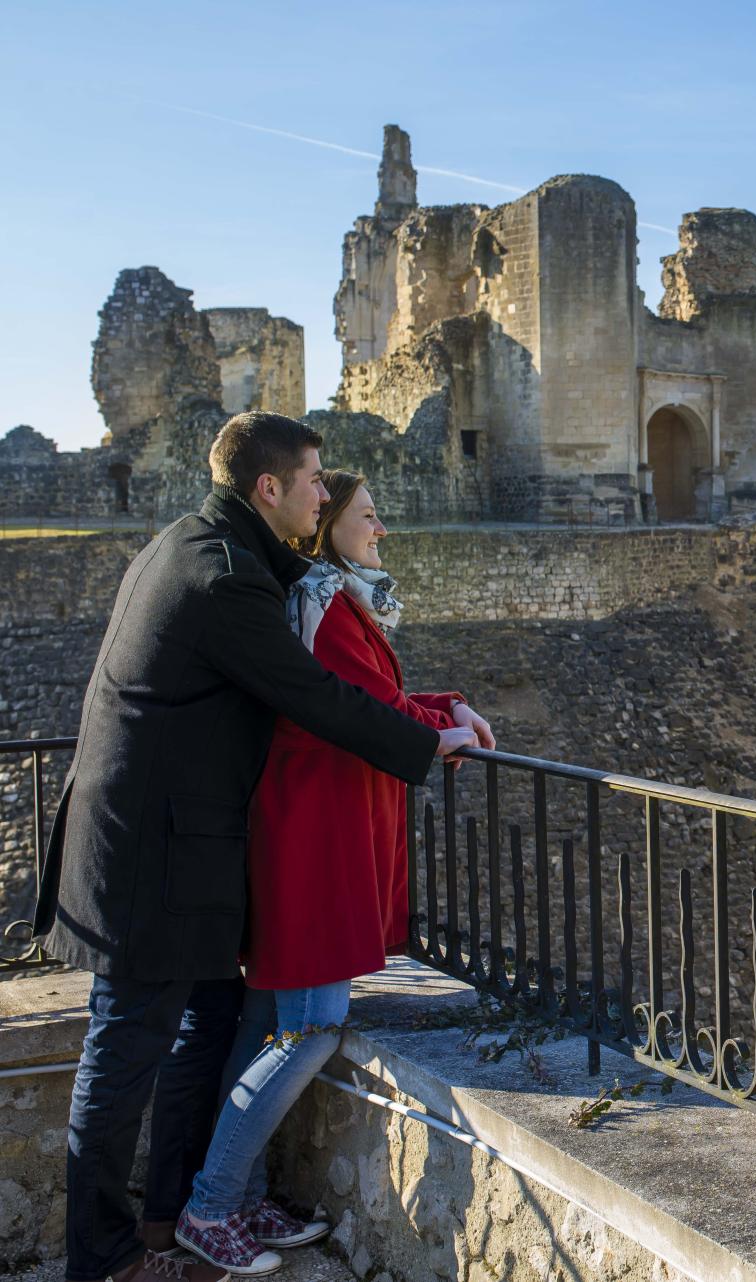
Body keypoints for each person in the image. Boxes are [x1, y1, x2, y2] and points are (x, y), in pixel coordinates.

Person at [34, 413, 481, 1282]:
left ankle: (176, 1216)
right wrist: (428, 746)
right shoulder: (221, 572)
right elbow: (311, 693)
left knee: (203, 1029)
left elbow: (328, 654)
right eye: (315, 481)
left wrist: (431, 707)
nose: (326, 495)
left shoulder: (205, 544)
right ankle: (104, 1258)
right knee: (123, 1051)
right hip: (143, 851)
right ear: (268, 488)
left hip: (186, 846)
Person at [173, 471, 495, 1276]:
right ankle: (211, 1206)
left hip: (304, 826)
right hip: (313, 835)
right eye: (367, 516)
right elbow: (355, 711)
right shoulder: (327, 609)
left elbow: (371, 697)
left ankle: (234, 1195)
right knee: (310, 1025)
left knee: (264, 1023)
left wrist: (444, 707)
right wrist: (439, 730)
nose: (379, 529)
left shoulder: (330, 602)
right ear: (329, 531)